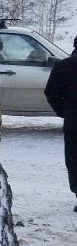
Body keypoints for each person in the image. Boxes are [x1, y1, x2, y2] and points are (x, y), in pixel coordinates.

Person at [44, 36, 77, 212]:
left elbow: (50, 93)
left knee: (74, 159)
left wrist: (63, 112)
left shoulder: (63, 66)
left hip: (74, 120)